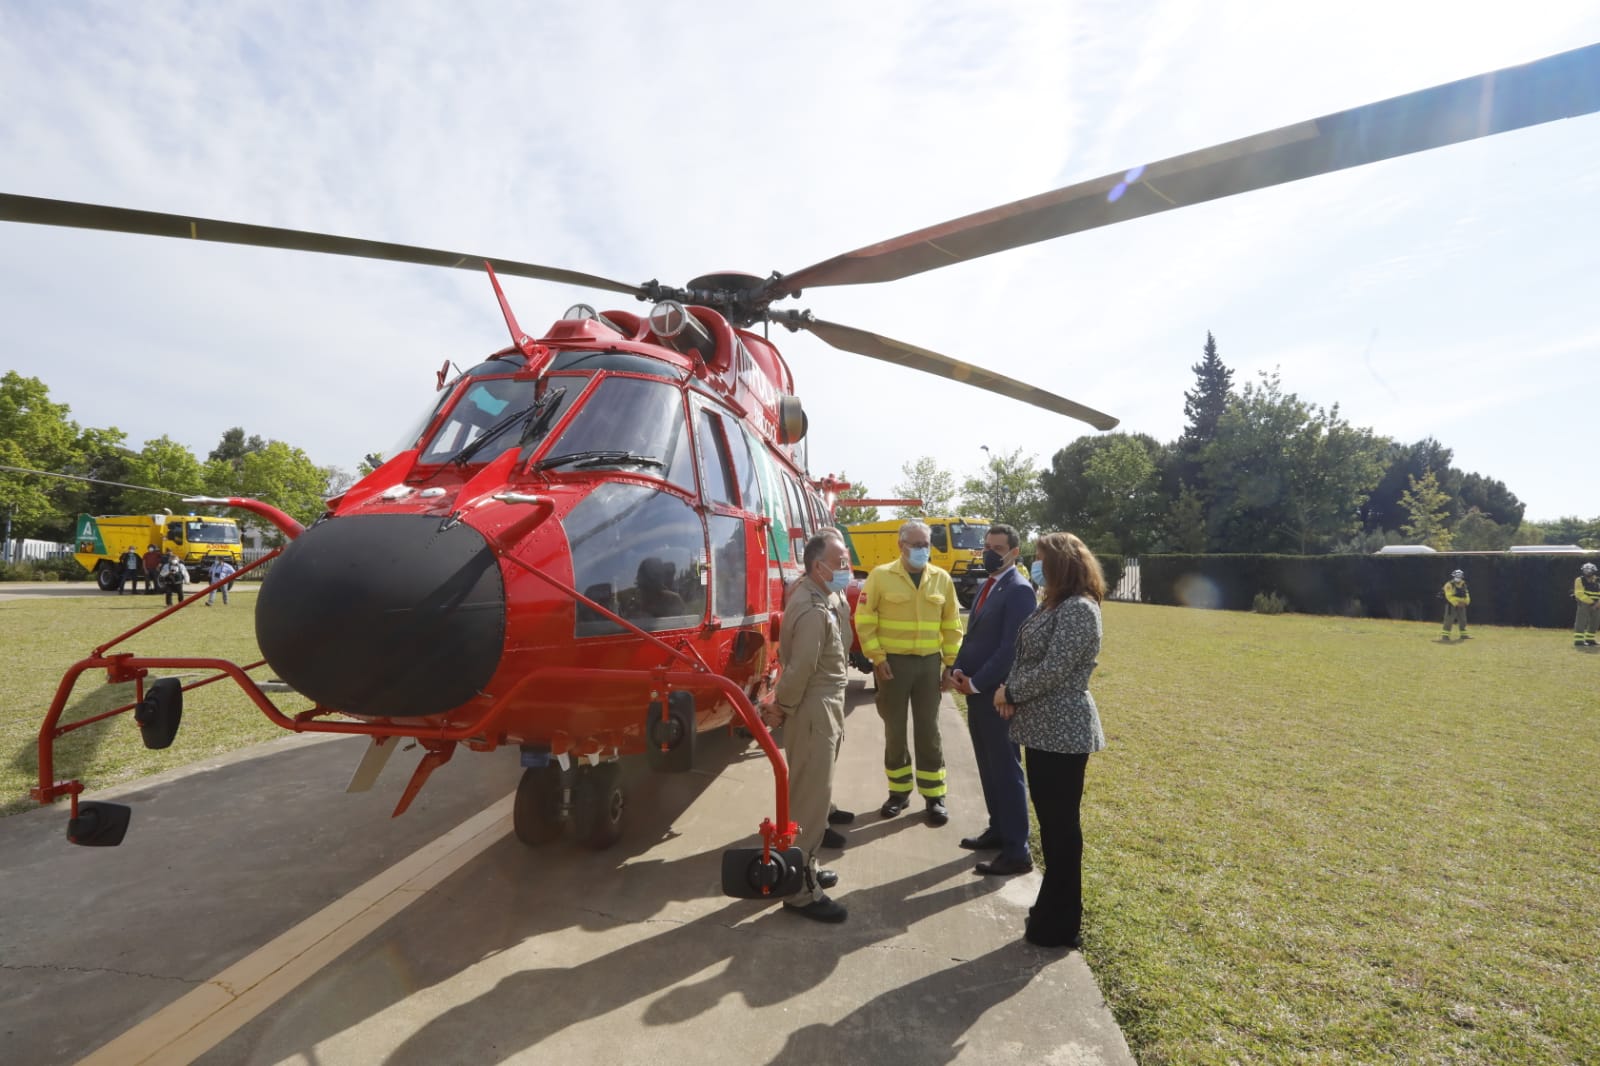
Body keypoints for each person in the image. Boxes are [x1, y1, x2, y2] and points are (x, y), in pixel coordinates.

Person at [995, 531, 1107, 950]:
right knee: (1052, 827)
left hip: (1063, 733)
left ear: (1060, 563)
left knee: (1061, 829)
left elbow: (1053, 669)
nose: (1034, 563)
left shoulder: (1079, 609)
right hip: (1044, 729)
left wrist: (1010, 692)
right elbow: (1030, 659)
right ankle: (1050, 910)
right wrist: (1011, 687)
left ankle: (1062, 923)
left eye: (1040, 557)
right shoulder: (1055, 603)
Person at [855, 519, 963, 825]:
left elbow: (952, 624)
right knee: (895, 730)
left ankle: (934, 795)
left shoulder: (941, 579)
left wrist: (949, 664)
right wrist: (876, 657)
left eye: (925, 544)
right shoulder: (880, 576)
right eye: (915, 544)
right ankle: (899, 793)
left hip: (929, 665)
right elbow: (864, 618)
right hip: (893, 665)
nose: (921, 550)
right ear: (901, 546)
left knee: (929, 730)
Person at [770, 530, 853, 923]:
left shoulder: (824, 595)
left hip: (826, 704)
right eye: (839, 562)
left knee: (816, 800)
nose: (846, 567)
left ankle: (807, 868)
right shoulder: (810, 607)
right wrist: (781, 707)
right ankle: (801, 892)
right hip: (814, 708)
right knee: (809, 801)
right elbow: (800, 668)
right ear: (818, 566)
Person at [950, 524, 1037, 876]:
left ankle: (1017, 849)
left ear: (1015, 552)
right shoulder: (988, 583)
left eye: (997, 547)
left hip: (995, 695)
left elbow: (1010, 649)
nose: (989, 552)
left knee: (1005, 768)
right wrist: (957, 668)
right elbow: (973, 637)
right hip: (974, 690)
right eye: (986, 546)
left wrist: (978, 683)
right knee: (987, 765)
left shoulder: (1019, 590)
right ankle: (998, 830)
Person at [1574, 562, 1600, 648]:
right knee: (1581, 621)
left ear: (1594, 571)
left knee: (1595, 622)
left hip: (1597, 604)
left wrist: (1597, 604)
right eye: (1585, 570)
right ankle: (1579, 641)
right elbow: (1579, 594)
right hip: (1584, 603)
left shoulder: (1598, 580)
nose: (1587, 572)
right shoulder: (1579, 580)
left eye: (1589, 570)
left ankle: (1590, 639)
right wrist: (1592, 602)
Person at [1441, 569, 1471, 641]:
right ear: (1453, 575)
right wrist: (1457, 603)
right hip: (1451, 605)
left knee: (1463, 620)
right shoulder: (1449, 584)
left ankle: (1464, 635)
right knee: (1448, 620)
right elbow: (1448, 596)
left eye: (1460, 576)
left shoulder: (1463, 584)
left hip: (1462, 605)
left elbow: (1467, 594)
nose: (1458, 577)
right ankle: (1445, 636)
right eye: (1457, 575)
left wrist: (1466, 602)